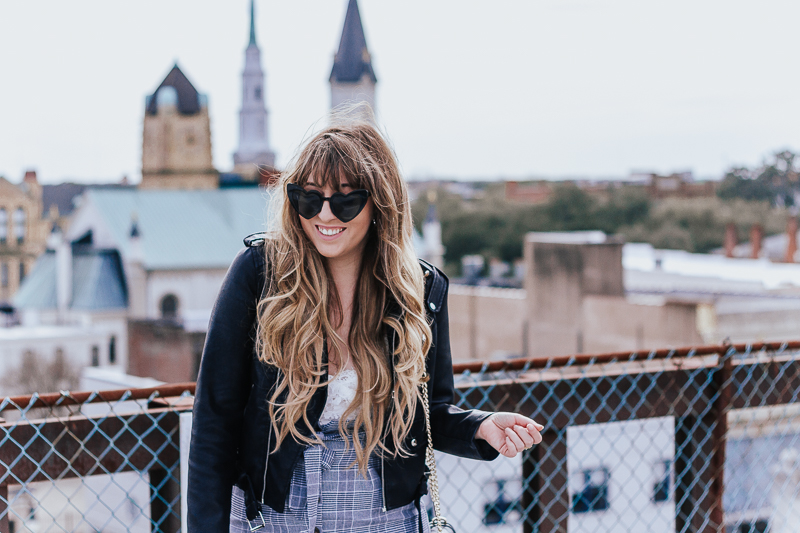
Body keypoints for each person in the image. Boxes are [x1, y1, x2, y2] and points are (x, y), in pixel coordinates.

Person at [187, 118, 544, 533]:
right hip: (270, 517)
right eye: (309, 198)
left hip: (382, 517)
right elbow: (214, 419)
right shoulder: (259, 274)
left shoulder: (420, 290)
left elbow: (429, 412)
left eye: (345, 201)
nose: (324, 214)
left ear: (379, 203)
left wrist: (480, 426)